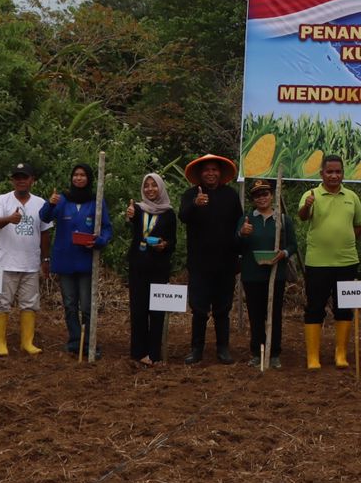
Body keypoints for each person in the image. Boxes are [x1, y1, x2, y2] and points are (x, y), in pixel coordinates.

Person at [296, 155, 361, 371]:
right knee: (314, 308)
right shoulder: (311, 195)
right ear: (321, 174)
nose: (334, 175)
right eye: (330, 172)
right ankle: (313, 357)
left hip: (346, 262)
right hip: (317, 263)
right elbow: (302, 216)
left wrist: (343, 241)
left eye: (338, 172)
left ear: (343, 174)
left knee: (343, 308)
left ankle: (341, 354)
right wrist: (307, 206)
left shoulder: (352, 197)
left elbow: (360, 226)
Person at [41, 163, 114, 357]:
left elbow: (107, 228)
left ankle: (90, 343)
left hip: (86, 261)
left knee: (87, 306)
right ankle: (74, 341)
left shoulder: (96, 201)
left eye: (83, 175)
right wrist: (50, 203)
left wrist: (99, 241)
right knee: (70, 304)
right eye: (76, 175)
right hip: (65, 260)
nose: (79, 178)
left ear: (89, 179)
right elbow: (44, 216)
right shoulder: (62, 199)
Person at [178, 154, 242, 364]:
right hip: (199, 263)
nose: (211, 173)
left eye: (215, 170)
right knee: (199, 309)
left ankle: (223, 348)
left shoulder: (231, 196)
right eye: (206, 170)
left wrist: (238, 255)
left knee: (223, 309)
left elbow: (238, 224)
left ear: (220, 173)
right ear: (200, 174)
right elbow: (183, 217)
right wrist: (195, 204)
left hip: (226, 262)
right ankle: (196, 349)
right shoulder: (190, 195)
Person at [0, 163, 52, 357]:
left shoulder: (41, 203)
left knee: (30, 303)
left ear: (32, 180)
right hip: (5, 261)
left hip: (30, 263)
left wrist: (45, 258)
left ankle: (27, 342)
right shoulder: (2, 200)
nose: (21, 180)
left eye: (25, 177)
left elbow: (46, 232)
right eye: (17, 177)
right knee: (1, 302)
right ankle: (0, 343)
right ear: (12, 180)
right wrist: (9, 219)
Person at [238, 179, 293, 368]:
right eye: (257, 195)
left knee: (274, 314)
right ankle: (256, 352)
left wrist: (283, 254)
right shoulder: (246, 220)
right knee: (255, 315)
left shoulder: (283, 220)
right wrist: (242, 234)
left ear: (271, 196)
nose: (261, 198)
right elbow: (237, 247)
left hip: (275, 275)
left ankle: (274, 352)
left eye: (265, 194)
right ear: (253, 199)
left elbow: (292, 245)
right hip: (252, 275)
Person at [126, 172, 178, 366]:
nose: (150, 189)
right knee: (138, 310)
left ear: (161, 187)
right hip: (138, 266)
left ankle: (154, 354)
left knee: (157, 311)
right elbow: (131, 220)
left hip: (159, 267)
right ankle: (138, 352)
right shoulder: (138, 209)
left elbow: (173, 242)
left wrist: (164, 245)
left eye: (154, 185)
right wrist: (130, 215)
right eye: (146, 185)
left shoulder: (169, 213)